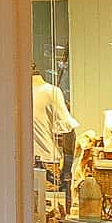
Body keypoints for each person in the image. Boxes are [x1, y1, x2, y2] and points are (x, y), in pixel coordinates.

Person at [33, 64, 78, 212]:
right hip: (45, 159)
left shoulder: (50, 91)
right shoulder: (51, 92)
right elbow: (68, 131)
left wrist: (67, 165)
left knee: (45, 212)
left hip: (44, 163)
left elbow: (68, 129)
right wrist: (68, 164)